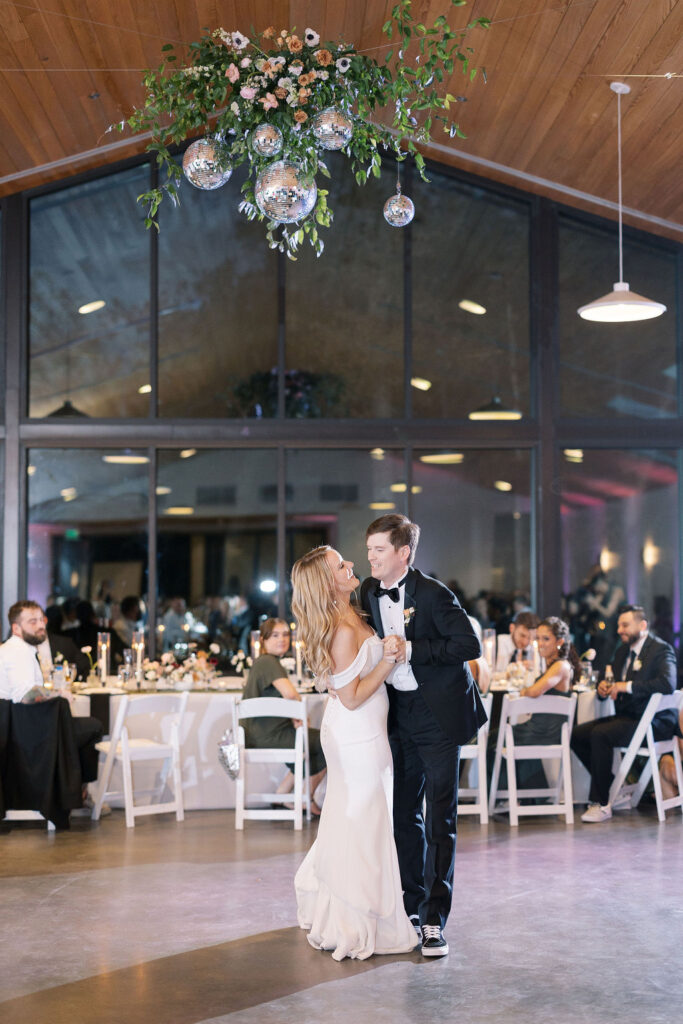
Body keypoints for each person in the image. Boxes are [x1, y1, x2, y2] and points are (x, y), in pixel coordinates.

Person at [361, 514, 485, 957]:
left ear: (403, 554)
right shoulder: (367, 592)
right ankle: (410, 908)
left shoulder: (434, 594)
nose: (370, 556)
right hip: (397, 714)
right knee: (403, 814)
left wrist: (413, 649)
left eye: (378, 549)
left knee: (440, 819)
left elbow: (470, 646)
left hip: (437, 716)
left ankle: (435, 919)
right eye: (369, 548)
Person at [291, 546, 418, 962]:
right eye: (341, 565)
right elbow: (350, 697)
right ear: (328, 582)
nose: (351, 567)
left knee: (361, 817)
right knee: (362, 817)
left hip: (365, 734)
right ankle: (356, 920)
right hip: (355, 735)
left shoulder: (351, 615)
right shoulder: (343, 630)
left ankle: (359, 908)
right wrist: (391, 657)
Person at [571, 604, 677, 823]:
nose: (620, 630)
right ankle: (612, 787)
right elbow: (610, 679)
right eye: (619, 625)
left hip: (654, 722)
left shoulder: (661, 649)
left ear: (643, 625)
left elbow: (668, 683)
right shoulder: (621, 651)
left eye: (625, 625)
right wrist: (602, 689)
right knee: (577, 735)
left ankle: (600, 803)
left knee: (601, 734)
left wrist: (626, 686)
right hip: (628, 717)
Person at [0, 601, 104, 805]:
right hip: (25, 733)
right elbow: (26, 695)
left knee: (82, 726)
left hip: (18, 727)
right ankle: (76, 793)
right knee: (94, 726)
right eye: (32, 621)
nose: (40, 625)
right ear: (16, 628)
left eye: (42, 619)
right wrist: (57, 694)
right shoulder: (17, 652)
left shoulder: (16, 649)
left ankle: (73, 791)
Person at [242, 617, 326, 814]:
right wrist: (300, 718)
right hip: (267, 734)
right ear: (263, 640)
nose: (282, 639)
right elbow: (290, 694)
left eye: (286, 635)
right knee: (327, 741)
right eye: (275, 635)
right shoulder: (268, 662)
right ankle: (306, 798)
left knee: (313, 743)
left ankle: (283, 794)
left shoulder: (264, 662)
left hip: (260, 733)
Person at [490, 617, 577, 792]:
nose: (540, 643)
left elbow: (534, 691)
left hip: (546, 731)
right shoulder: (552, 665)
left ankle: (499, 795)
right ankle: (525, 795)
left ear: (559, 642)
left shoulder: (561, 666)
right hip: (539, 729)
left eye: (546, 639)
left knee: (493, 738)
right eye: (538, 638)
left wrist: (522, 691)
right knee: (498, 735)